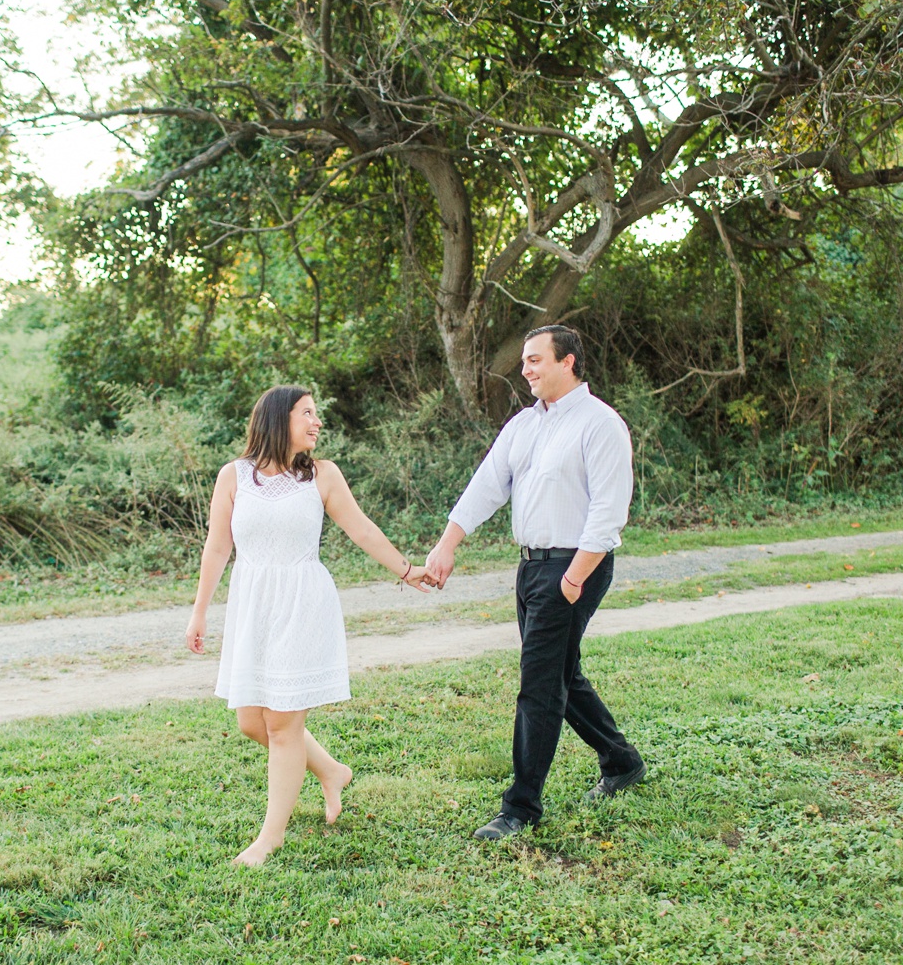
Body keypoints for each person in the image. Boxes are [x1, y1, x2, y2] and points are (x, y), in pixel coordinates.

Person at [185, 384, 431, 865]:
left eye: (318, 415)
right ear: (279, 419)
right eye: (308, 414)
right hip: (252, 602)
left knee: (282, 722)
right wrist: (199, 611)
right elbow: (217, 546)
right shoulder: (233, 476)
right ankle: (332, 770)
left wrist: (407, 570)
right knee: (251, 721)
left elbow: (360, 529)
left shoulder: (323, 475)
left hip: (301, 601)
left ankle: (269, 837)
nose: (317, 423)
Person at [425, 325, 646, 839]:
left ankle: (520, 809)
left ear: (567, 362)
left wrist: (573, 579)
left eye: (535, 360)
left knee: (540, 686)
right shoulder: (523, 425)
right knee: (561, 675)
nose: (525, 369)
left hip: (575, 567)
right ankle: (621, 761)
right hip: (531, 567)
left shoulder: (600, 424)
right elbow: (487, 486)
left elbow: (609, 510)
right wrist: (447, 542)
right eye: (525, 361)